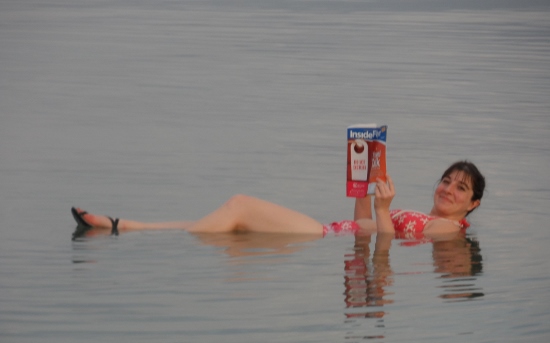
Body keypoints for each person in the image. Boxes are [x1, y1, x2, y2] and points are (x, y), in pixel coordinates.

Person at [71, 160, 485, 240]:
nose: (448, 189)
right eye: (446, 180)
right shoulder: (418, 215)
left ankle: (127, 229)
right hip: (335, 233)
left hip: (321, 237)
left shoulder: (447, 229)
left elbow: (383, 242)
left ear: (473, 204)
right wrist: (363, 183)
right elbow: (364, 228)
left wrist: (381, 209)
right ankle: (127, 225)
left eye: (460, 188)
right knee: (231, 235)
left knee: (238, 205)